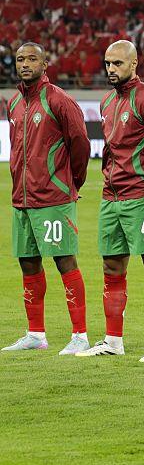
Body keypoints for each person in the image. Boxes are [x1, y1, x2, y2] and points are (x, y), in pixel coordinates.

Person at [78, 40, 144, 359]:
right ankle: (113, 341)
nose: (110, 69)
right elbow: (109, 150)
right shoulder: (108, 102)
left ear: (134, 64)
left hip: (143, 195)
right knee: (111, 265)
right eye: (107, 64)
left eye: (117, 64)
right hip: (111, 196)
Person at [2, 43, 89, 354]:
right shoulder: (14, 104)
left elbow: (80, 143)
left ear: (45, 63)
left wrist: (71, 182)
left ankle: (80, 335)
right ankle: (36, 335)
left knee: (65, 261)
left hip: (53, 197)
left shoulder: (59, 100)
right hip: (22, 199)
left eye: (32, 59)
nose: (25, 64)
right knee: (28, 263)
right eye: (21, 59)